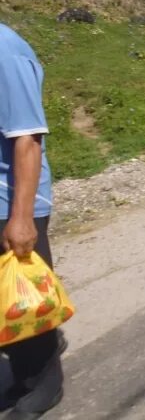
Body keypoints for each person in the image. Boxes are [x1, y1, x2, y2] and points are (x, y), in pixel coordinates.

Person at [0, 22, 64, 419]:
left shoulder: (5, 50)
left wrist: (21, 217)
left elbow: (28, 137)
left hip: (11, 201)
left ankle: (43, 381)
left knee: (26, 296)